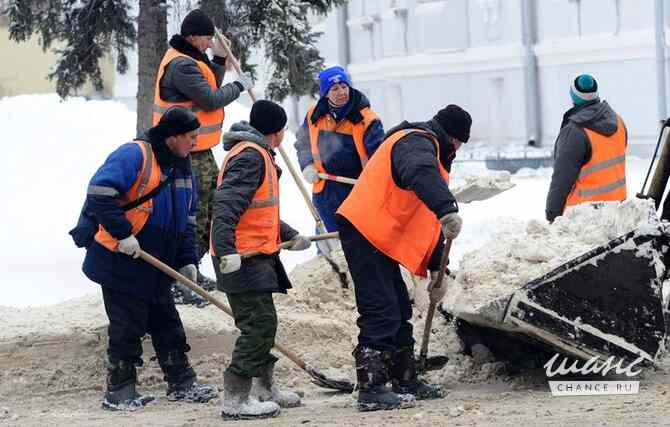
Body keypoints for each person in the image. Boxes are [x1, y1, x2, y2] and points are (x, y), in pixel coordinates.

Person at [335, 105, 472, 411]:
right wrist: (447, 207)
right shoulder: (416, 142)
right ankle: (372, 386)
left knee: (397, 305)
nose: (459, 150)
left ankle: (404, 377)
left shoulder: (429, 149)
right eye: (461, 143)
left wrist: (439, 269)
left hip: (380, 234)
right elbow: (419, 173)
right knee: (380, 305)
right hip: (364, 228)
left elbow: (424, 218)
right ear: (454, 138)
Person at [82, 107, 218, 410]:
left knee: (168, 324)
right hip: (120, 259)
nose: (196, 143)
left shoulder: (183, 167)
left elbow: (187, 220)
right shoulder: (135, 155)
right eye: (192, 137)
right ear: (174, 137)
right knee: (127, 326)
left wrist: (187, 260)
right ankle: (118, 391)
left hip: (157, 263)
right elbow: (99, 192)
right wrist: (123, 234)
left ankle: (181, 382)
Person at [211, 100, 312, 420]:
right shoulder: (251, 157)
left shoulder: (256, 154)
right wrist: (226, 251)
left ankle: (264, 389)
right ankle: (237, 397)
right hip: (241, 257)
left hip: (255, 253)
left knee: (262, 324)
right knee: (259, 325)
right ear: (277, 132)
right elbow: (226, 207)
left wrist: (289, 234)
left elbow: (257, 209)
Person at [153, 8, 254, 293]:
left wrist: (221, 58)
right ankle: (181, 278)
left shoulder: (191, 58)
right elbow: (210, 99)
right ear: (193, 37)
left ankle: (191, 272)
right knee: (195, 211)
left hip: (199, 148)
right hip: (185, 151)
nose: (210, 44)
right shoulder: (182, 65)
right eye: (208, 40)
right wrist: (240, 86)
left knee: (210, 208)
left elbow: (210, 83)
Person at [294, 65, 385, 233]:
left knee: (357, 244)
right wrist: (307, 165)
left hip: (357, 191)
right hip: (325, 191)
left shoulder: (368, 120)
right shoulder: (314, 115)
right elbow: (302, 142)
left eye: (344, 86)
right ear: (325, 93)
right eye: (334, 88)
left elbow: (381, 158)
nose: (341, 92)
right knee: (329, 244)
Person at [546, 74, 627, 222]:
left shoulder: (575, 131)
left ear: (572, 95)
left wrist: (552, 214)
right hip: (618, 211)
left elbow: (561, 179)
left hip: (584, 217)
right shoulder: (618, 121)